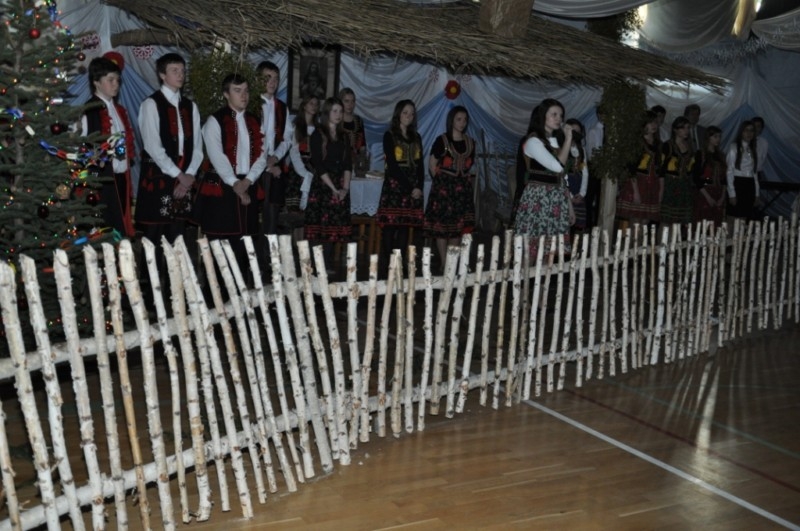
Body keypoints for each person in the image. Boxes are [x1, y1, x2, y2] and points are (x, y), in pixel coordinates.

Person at [196, 74, 266, 270]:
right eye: (237, 91)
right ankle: (217, 287)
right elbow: (216, 155)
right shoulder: (215, 120)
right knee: (220, 246)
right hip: (223, 187)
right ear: (226, 94)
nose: (244, 95)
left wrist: (248, 180)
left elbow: (262, 154)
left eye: (246, 91)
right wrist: (235, 182)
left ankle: (243, 285)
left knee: (244, 245)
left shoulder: (254, 121)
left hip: (248, 183)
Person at [136, 53, 203, 252]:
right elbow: (153, 147)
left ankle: (177, 274)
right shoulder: (151, 104)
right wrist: (179, 175)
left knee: (178, 235)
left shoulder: (190, 106)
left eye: (182, 70)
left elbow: (197, 147)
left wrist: (189, 175)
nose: (180, 75)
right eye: (175, 70)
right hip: (159, 176)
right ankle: (152, 273)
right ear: (162, 75)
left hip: (185, 176)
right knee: (154, 236)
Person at [80, 56, 136, 238]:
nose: (116, 84)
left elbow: (123, 143)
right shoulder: (89, 111)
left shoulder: (119, 110)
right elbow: (82, 147)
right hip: (101, 180)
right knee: (105, 227)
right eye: (110, 80)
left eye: (118, 80)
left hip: (120, 177)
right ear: (96, 82)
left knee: (119, 225)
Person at [514, 99, 575, 259]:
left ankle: (543, 276)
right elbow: (557, 167)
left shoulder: (557, 142)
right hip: (539, 198)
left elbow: (563, 177)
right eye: (554, 114)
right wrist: (568, 139)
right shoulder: (533, 141)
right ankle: (526, 275)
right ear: (542, 116)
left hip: (557, 198)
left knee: (550, 251)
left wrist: (569, 205)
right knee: (531, 250)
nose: (558, 118)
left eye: (560, 115)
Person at [304, 97, 352, 270]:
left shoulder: (344, 136)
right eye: (335, 111)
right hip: (323, 184)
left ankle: (326, 263)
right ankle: (315, 265)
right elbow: (318, 163)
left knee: (333, 226)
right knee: (319, 227)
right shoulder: (318, 134)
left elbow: (348, 164)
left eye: (341, 111)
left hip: (340, 183)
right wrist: (333, 188)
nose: (339, 114)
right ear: (327, 113)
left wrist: (345, 188)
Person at [425, 105, 476, 267]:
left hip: (462, 191)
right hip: (444, 190)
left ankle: (451, 263)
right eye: (459, 119)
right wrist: (440, 182)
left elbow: (469, 165)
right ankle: (443, 261)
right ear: (451, 120)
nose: (462, 123)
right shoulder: (442, 140)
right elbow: (432, 163)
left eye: (465, 120)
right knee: (441, 227)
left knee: (457, 227)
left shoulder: (470, 142)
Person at [378, 100, 424, 272]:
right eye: (405, 112)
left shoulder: (416, 137)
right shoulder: (389, 135)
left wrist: (419, 187)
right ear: (398, 114)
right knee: (390, 226)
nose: (409, 116)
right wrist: (411, 188)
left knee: (405, 226)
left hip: (412, 186)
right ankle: (387, 262)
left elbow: (420, 165)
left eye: (412, 113)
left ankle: (399, 261)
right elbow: (392, 165)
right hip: (395, 185)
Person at [256, 61, 291, 238]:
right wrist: (266, 163)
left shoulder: (282, 108)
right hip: (254, 166)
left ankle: (269, 253)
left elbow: (287, 138)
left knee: (272, 215)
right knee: (252, 216)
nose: (272, 82)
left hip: (274, 164)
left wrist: (275, 158)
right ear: (258, 79)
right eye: (268, 78)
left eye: (276, 78)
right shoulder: (251, 104)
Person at [616, 111, 662, 226]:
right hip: (637, 183)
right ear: (643, 124)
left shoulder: (658, 144)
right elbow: (631, 168)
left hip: (652, 185)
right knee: (635, 221)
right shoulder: (637, 142)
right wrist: (635, 192)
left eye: (655, 122)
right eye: (650, 122)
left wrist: (660, 190)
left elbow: (660, 169)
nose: (654, 125)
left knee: (646, 221)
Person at [285, 95, 319, 242]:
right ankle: (294, 245)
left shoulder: (318, 128)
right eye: (311, 103)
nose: (314, 106)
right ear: (304, 105)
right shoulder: (296, 126)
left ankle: (303, 245)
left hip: (313, 168)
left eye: (316, 104)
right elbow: (293, 151)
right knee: (295, 211)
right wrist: (303, 172)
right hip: (298, 169)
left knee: (307, 211)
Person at [659, 116, 696, 226]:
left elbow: (691, 169)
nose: (686, 131)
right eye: (683, 128)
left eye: (688, 128)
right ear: (675, 129)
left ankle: (674, 238)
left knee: (678, 221)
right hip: (670, 184)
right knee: (666, 220)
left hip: (684, 185)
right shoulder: (667, 146)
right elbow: (661, 169)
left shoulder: (690, 147)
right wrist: (661, 189)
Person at [726, 120, 760, 220]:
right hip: (738, 184)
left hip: (749, 185)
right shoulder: (734, 147)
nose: (749, 133)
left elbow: (754, 173)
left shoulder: (752, 149)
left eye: (751, 130)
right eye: (746, 130)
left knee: (745, 218)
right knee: (733, 217)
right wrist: (732, 194)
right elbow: (729, 171)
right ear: (741, 132)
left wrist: (757, 194)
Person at [692, 126, 726, 226]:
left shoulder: (721, 156)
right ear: (708, 137)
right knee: (702, 224)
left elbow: (724, 179)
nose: (718, 139)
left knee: (716, 224)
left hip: (718, 192)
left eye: (719, 136)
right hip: (705, 192)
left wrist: (722, 197)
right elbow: (696, 177)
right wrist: (708, 197)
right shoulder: (701, 154)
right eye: (715, 136)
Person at [564, 118, 588, 232]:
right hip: (566, 188)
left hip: (578, 187)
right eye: (573, 131)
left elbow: (585, 172)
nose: (575, 134)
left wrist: (582, 193)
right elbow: (562, 174)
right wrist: (570, 196)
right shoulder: (563, 148)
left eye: (578, 132)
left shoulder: (581, 149)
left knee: (577, 225)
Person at [583, 105, 605, 229]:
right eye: (602, 113)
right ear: (598, 115)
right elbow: (591, 153)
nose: (604, 116)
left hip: (604, 169)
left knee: (601, 198)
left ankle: (598, 224)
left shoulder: (610, 131)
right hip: (595, 167)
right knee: (590, 196)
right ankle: (587, 225)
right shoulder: (593, 131)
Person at [339, 88, 368, 175]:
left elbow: (362, 145)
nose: (350, 104)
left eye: (352, 101)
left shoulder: (358, 120)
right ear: (340, 102)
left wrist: (362, 162)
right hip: (338, 162)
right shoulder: (336, 120)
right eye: (346, 101)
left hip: (355, 164)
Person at [751, 116, 768, 181]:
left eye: (758, 126)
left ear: (761, 129)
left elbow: (763, 159)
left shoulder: (764, 142)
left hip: (757, 173)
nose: (755, 129)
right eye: (754, 126)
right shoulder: (743, 141)